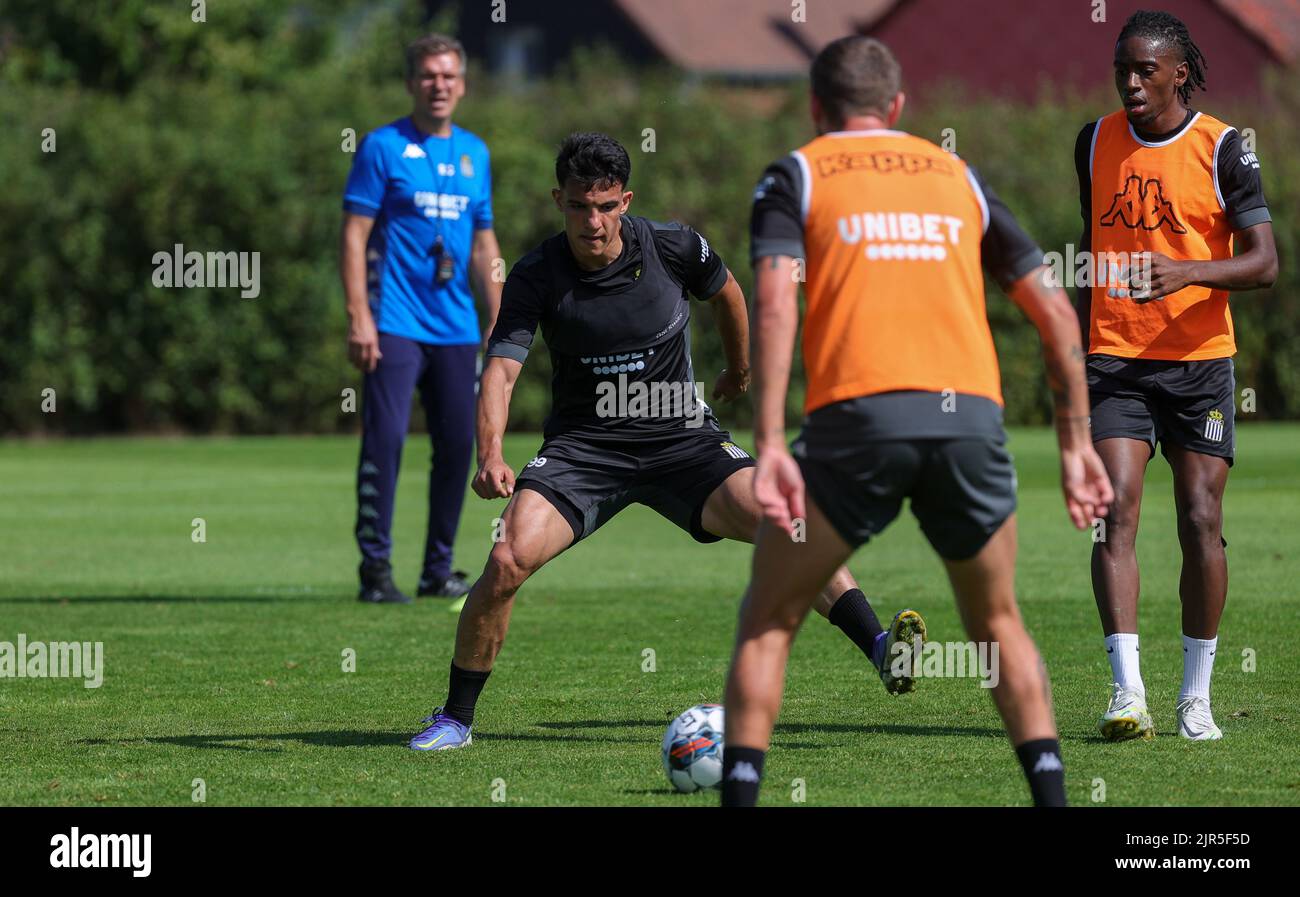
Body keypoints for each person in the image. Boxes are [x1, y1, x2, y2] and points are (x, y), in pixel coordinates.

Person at [407, 132, 926, 751]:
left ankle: (878, 646)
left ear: (625, 201)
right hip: (585, 450)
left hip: (682, 438)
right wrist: (489, 454)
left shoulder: (675, 246)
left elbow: (728, 291)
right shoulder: (536, 274)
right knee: (505, 560)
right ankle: (455, 720)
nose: (591, 222)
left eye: (604, 206)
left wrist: (739, 368)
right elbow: (501, 368)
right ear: (559, 201)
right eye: (578, 206)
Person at [720, 35, 1113, 807]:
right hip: (968, 420)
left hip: (854, 423)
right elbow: (1058, 315)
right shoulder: (956, 176)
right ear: (897, 108)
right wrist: (1075, 444)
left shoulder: (796, 172)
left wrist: (767, 442)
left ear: (815, 109)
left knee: (769, 618)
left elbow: (771, 304)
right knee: (998, 621)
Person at [1078, 10, 1277, 741]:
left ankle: (1197, 696)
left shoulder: (1225, 148)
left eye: (1145, 70)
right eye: (1122, 70)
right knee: (1117, 509)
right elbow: (1090, 250)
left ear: (1179, 72)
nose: (1131, 82)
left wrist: (1187, 271)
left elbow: (1265, 262)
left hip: (1199, 364)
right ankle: (1128, 694)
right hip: (1115, 359)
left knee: (1200, 518)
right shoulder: (1094, 140)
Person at [340, 34, 503, 604]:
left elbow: (485, 244)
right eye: (429, 75)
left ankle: (438, 571)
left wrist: (500, 320)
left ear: (462, 84)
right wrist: (359, 314)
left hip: (456, 327)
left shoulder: (474, 153)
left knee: (459, 445)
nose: (440, 85)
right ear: (411, 82)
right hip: (394, 321)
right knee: (385, 441)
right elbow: (355, 235)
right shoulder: (382, 147)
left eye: (450, 76)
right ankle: (376, 572)